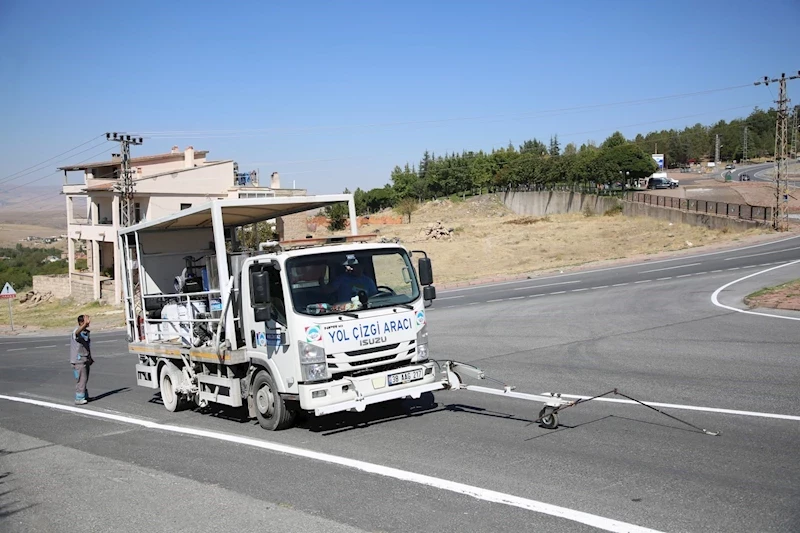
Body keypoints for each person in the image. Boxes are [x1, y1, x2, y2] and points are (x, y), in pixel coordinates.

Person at [70, 314, 93, 405]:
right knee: (81, 379)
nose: (88, 322)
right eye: (86, 320)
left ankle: (84, 395)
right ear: (81, 322)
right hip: (78, 361)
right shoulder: (77, 331)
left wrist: (90, 357)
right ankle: (79, 398)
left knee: (85, 379)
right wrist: (84, 325)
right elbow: (77, 333)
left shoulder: (86, 332)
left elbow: (87, 346)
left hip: (85, 359)